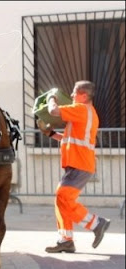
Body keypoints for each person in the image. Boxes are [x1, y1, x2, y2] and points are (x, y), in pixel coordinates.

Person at [37, 80, 110, 253]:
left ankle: (97, 224)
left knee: (63, 197)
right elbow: (69, 139)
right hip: (79, 164)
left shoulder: (81, 109)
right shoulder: (86, 112)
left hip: (80, 164)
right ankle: (66, 240)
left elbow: (53, 110)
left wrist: (51, 97)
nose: (71, 96)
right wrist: (51, 134)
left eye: (74, 93)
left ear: (83, 96)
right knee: (61, 199)